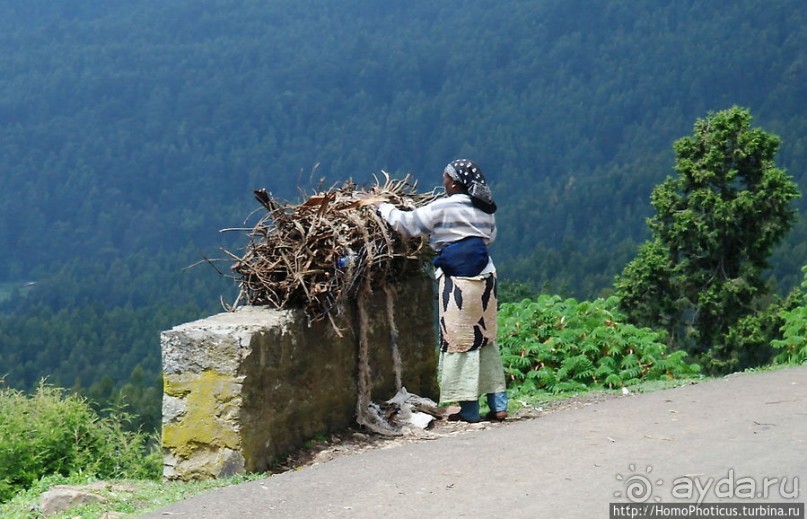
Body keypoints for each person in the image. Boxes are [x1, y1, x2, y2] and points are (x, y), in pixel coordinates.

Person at [372, 159, 508, 422]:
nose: (443, 183)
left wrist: (383, 208)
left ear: (455, 182)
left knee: (459, 341)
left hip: (459, 281)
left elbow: (407, 224)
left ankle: (469, 410)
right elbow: (489, 237)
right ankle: (498, 403)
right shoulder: (485, 209)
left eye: (445, 178)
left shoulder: (442, 207)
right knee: (485, 337)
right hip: (486, 277)